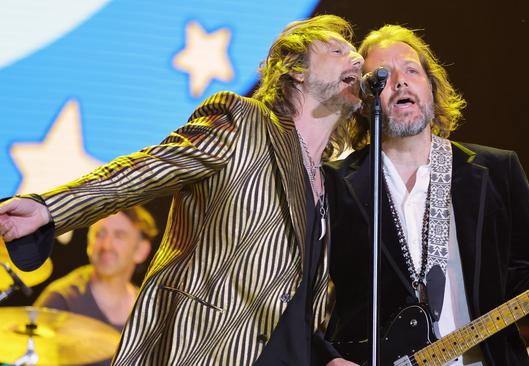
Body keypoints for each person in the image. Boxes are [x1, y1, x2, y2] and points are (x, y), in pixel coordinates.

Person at [0, 14, 363, 365]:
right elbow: (148, 170)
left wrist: (326, 358)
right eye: (337, 51)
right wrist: (49, 208)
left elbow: (296, 306)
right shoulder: (244, 120)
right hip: (208, 349)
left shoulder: (327, 185)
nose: (357, 58)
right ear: (296, 70)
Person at [323, 25, 529, 366]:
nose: (400, 82)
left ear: (432, 87)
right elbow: (311, 298)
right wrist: (328, 358)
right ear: (363, 101)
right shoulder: (334, 182)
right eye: (382, 75)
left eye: (411, 70)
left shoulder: (496, 170)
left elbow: (528, 276)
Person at [34, 206, 157, 365]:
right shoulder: (62, 299)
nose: (106, 245)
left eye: (119, 236)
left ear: (141, 250)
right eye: (99, 234)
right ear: (88, 243)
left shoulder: (148, 310)